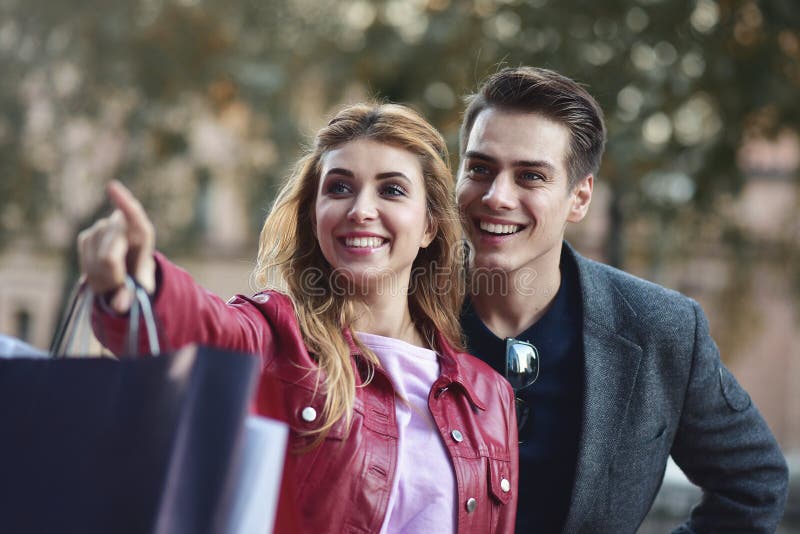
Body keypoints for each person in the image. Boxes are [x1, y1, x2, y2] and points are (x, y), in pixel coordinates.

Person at [78, 102, 518, 533]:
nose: (361, 209)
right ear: (315, 214)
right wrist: (138, 283)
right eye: (340, 188)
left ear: (429, 226)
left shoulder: (489, 395)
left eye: (392, 190)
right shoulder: (275, 335)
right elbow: (200, 325)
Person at [456, 66, 788, 533]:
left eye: (530, 176)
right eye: (479, 168)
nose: (495, 196)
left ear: (579, 197)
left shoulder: (661, 328)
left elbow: (754, 481)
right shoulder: (394, 311)